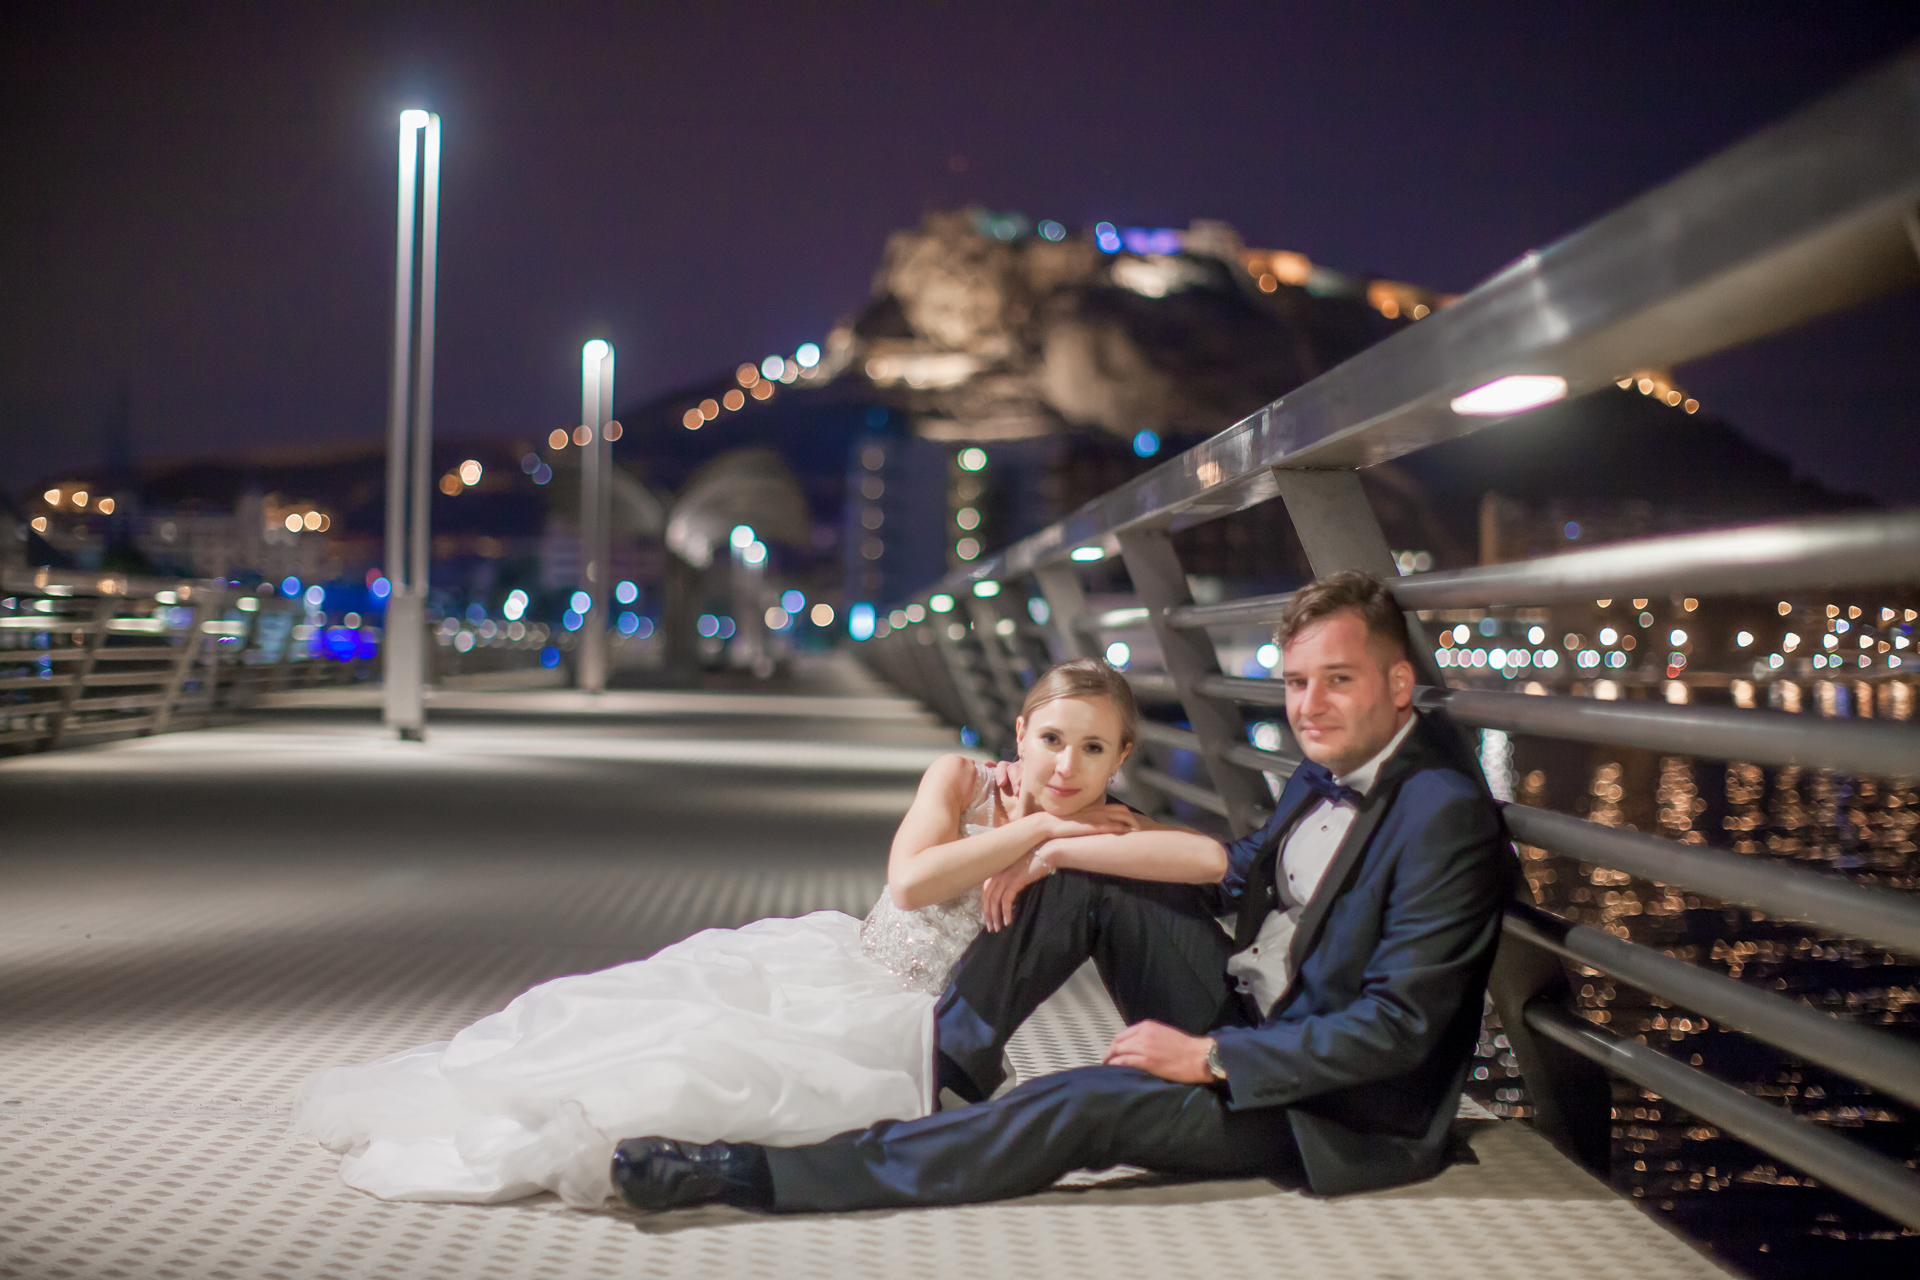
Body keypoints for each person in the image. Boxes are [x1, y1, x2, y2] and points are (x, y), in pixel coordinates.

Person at [611, 570, 1514, 1213]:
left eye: (1338, 681)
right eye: (1296, 682)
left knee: (1083, 1102)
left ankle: (755, 1173)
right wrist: (1056, 845)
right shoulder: (1323, 771)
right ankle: (946, 1072)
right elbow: (1238, 871)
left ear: (1400, 685)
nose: (1308, 705)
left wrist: (1211, 1058)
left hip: (1324, 1104)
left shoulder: (1442, 815)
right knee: (1082, 876)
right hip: (1248, 1010)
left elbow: (1398, 1028)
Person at [294, 657, 1226, 1207]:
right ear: (1020, 733)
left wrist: (1064, 847)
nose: (1067, 766)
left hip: (928, 1015)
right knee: (676, 1048)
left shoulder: (1104, 824)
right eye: (1053, 739)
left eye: (1093, 748)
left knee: (728, 1081)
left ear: (1122, 756)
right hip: (859, 975)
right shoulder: (960, 780)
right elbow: (910, 881)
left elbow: (1211, 859)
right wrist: (1030, 837)